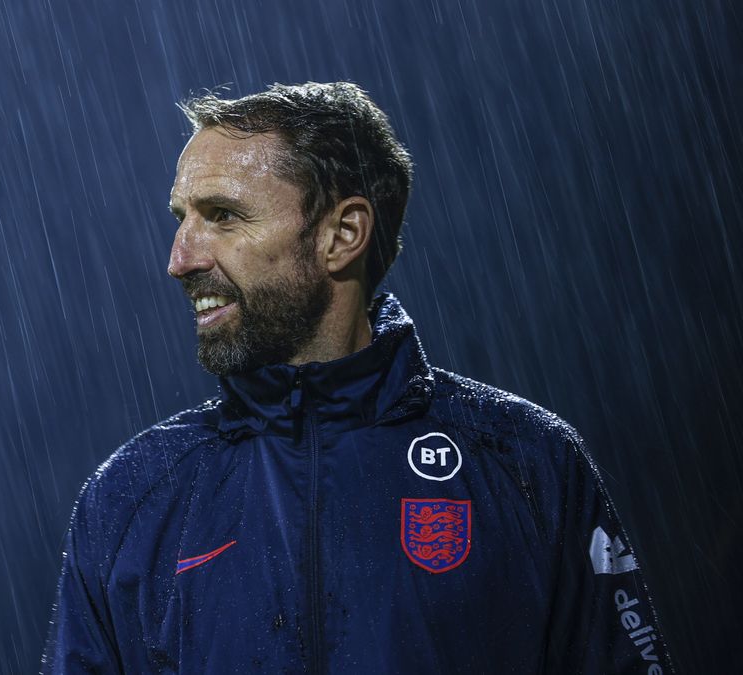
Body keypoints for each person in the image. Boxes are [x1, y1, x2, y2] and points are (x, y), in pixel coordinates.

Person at [41, 81, 672, 674]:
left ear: (342, 234)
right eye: (182, 217)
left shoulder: (529, 463)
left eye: (224, 216)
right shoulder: (129, 496)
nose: (181, 259)